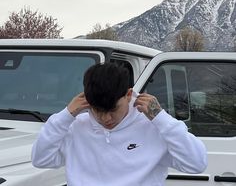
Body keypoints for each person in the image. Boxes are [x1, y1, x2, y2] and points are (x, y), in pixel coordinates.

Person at [32, 62, 207, 186]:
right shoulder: (76, 127)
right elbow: (41, 159)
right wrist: (64, 116)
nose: (106, 118)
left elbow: (196, 163)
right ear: (87, 101)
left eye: (113, 109)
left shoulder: (154, 127)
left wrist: (161, 118)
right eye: (98, 110)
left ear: (129, 94)